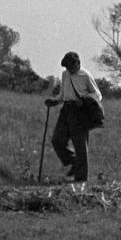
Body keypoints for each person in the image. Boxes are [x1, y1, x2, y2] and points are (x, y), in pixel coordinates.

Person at [45, 51, 103, 189]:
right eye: (67, 68)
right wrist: (55, 101)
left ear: (77, 63)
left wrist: (84, 100)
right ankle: (74, 162)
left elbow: (98, 94)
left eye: (71, 67)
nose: (69, 70)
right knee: (57, 140)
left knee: (80, 146)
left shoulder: (85, 75)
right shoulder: (65, 75)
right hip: (66, 110)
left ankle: (80, 181)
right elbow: (63, 94)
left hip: (81, 112)